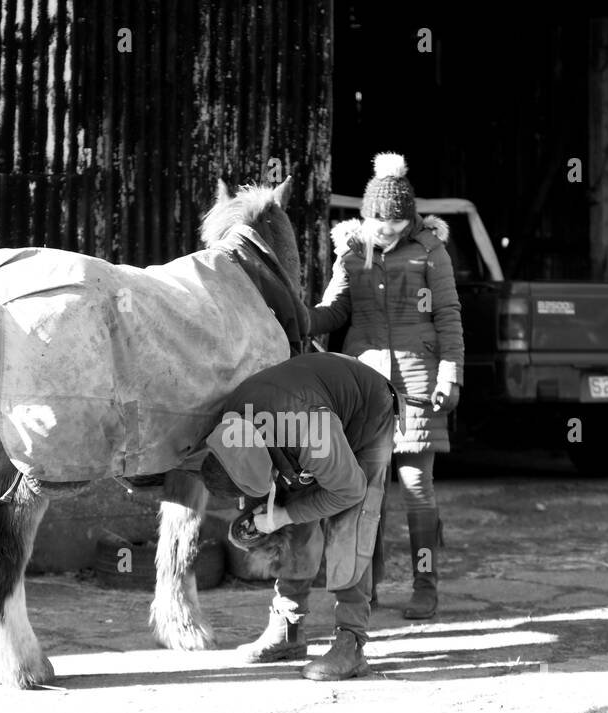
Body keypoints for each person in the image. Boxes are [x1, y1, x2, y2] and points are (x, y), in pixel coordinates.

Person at [310, 152, 464, 620]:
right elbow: (335, 311)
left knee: (417, 488)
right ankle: (366, 588)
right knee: (364, 489)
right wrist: (296, 317)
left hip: (418, 382)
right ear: (366, 213)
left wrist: (450, 374)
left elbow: (447, 315)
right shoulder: (353, 251)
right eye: (381, 221)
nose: (388, 231)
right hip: (365, 385)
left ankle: (425, 585)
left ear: (409, 217)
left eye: (398, 223)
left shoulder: (429, 250)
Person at [194, 351, 397, 681]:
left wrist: (283, 515)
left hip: (368, 418)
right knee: (296, 518)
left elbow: (349, 490)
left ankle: (351, 643)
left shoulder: (310, 431)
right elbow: (250, 471)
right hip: (304, 421)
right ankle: (288, 635)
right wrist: (264, 514)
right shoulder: (233, 418)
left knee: (350, 521)